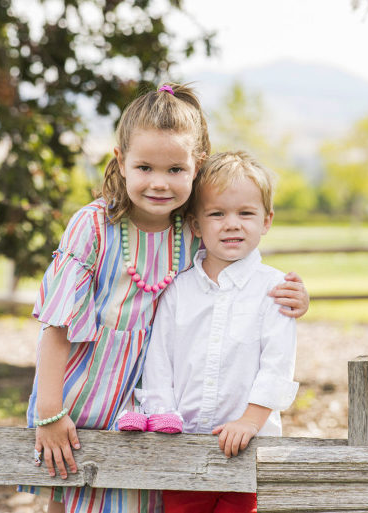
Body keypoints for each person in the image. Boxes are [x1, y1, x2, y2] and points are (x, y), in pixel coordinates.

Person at [19, 84, 309, 513]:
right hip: (80, 394)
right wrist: (49, 410)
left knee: (142, 500)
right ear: (120, 161)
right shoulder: (94, 226)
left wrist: (295, 296)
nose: (159, 182)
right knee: (72, 495)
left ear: (197, 167)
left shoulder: (191, 230)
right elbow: (57, 324)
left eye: (176, 169)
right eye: (144, 167)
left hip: (152, 402)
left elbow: (240, 275)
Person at [134, 151, 299, 513]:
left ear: (266, 220)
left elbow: (278, 365)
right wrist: (163, 415)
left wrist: (249, 421)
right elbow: (160, 359)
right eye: (217, 214)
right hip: (183, 449)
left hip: (247, 449)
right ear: (196, 224)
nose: (232, 224)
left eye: (245, 213)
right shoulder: (178, 289)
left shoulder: (275, 289)